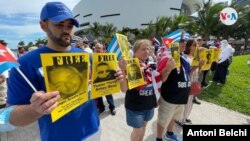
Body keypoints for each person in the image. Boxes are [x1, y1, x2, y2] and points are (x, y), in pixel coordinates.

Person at [6, 2, 127, 141]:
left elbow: (114, 88)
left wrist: (117, 77)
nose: (66, 30)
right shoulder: (24, 64)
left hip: (94, 129)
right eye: (59, 24)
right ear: (43, 26)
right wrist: (35, 109)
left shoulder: (86, 55)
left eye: (70, 25)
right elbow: (11, 117)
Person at [125, 39, 174, 141]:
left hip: (149, 105)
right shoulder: (130, 65)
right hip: (135, 107)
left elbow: (161, 80)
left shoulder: (152, 65)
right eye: (143, 49)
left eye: (148, 49)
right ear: (135, 51)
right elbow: (130, 87)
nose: (147, 51)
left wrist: (168, 69)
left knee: (144, 127)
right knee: (137, 130)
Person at [156, 39, 190, 141]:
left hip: (181, 97)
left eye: (184, 46)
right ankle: (158, 138)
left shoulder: (184, 59)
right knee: (163, 120)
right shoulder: (166, 58)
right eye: (180, 45)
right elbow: (160, 78)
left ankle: (170, 134)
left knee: (173, 116)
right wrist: (168, 69)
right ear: (173, 46)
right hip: (169, 97)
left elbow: (187, 75)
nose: (183, 47)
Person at [94, 43, 117, 115]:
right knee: (98, 96)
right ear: (94, 50)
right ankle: (101, 108)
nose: (97, 49)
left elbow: (113, 67)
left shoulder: (108, 57)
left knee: (109, 95)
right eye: (96, 48)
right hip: (97, 81)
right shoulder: (91, 57)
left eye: (99, 48)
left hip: (107, 81)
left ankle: (112, 107)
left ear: (103, 50)